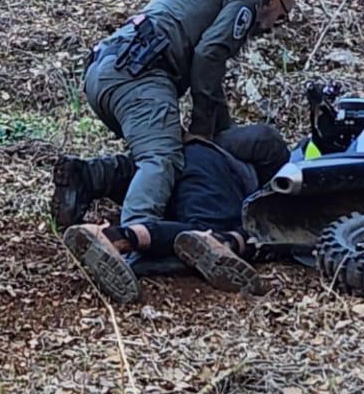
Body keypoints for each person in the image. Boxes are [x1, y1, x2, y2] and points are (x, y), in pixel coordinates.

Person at [64, 0, 293, 241]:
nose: (269, 29)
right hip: (139, 74)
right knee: (161, 158)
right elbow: (208, 56)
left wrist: (217, 133)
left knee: (167, 151)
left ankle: (89, 177)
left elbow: (211, 77)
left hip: (106, 73)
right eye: (280, 18)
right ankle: (132, 237)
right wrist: (201, 126)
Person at [54, 125, 291, 304]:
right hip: (207, 172)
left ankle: (87, 178)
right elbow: (266, 141)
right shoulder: (279, 165)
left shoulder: (174, 144)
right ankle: (116, 237)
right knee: (208, 233)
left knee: (149, 180)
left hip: (162, 160)